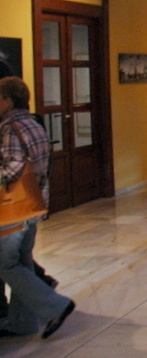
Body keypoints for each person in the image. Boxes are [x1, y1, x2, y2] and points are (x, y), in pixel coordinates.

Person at [0, 77, 74, 339]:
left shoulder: (10, 128)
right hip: (34, 204)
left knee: (6, 265)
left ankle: (56, 305)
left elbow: (12, 168)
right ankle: (23, 323)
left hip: (12, 209)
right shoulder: (33, 122)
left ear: (8, 101)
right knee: (22, 263)